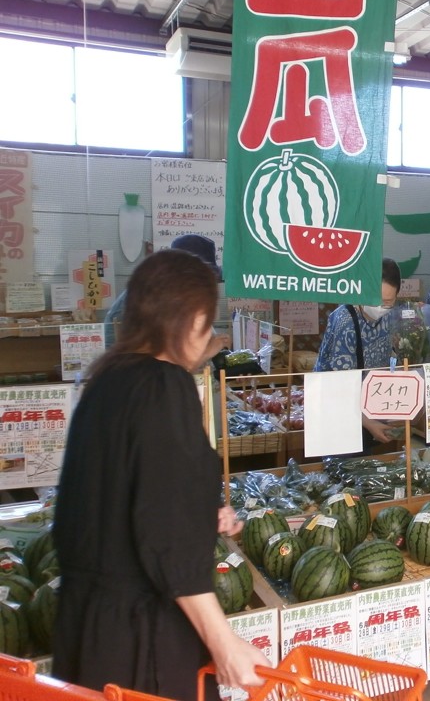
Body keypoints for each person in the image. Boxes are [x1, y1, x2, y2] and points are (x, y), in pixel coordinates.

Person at [53, 249, 269, 701]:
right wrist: (222, 642)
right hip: (142, 639)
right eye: (208, 323)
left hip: (86, 630)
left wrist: (197, 513)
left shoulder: (105, 382)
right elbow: (165, 537)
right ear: (192, 320)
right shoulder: (164, 386)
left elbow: (121, 501)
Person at [315, 257, 402, 448]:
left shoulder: (387, 318)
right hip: (337, 414)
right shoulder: (345, 320)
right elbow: (339, 386)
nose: (381, 307)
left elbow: (390, 360)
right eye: (375, 299)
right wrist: (369, 423)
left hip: (369, 409)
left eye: (388, 302)